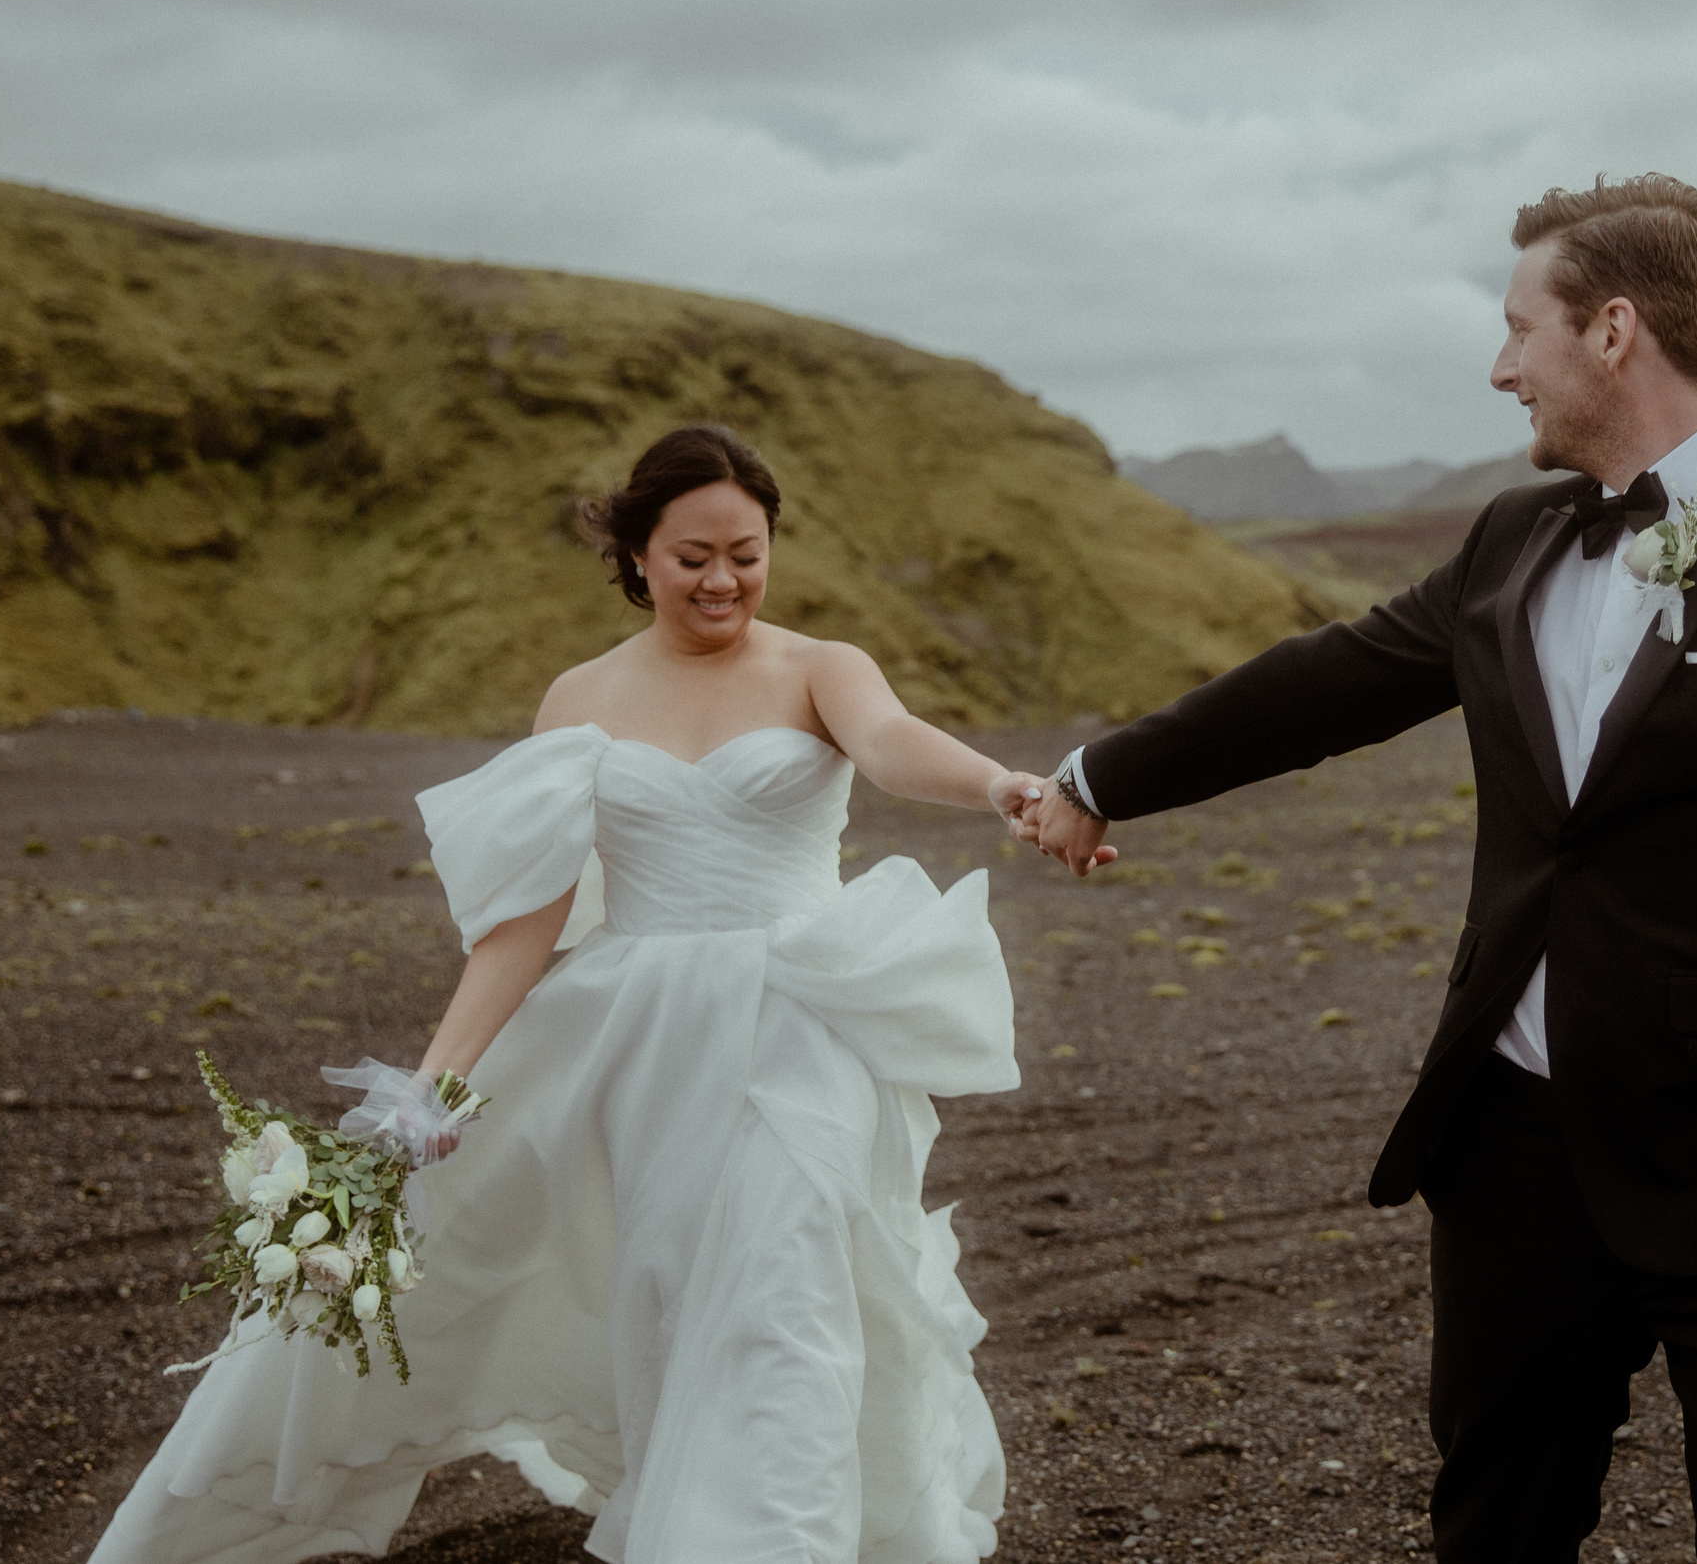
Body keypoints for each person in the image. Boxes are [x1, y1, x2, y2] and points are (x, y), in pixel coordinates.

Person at [1021, 176, 1697, 1563]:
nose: (1500, 368)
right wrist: (1098, 775)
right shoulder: (1517, 536)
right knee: (1494, 1526)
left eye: (1517, 329)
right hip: (1516, 1158)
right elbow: (1334, 683)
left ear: (1614, 332)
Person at [95, 423, 1070, 1564]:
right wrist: (431, 1089)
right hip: (638, 1045)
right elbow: (526, 925)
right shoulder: (580, 697)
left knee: (784, 1278)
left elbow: (894, 744)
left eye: (746, 554)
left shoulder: (822, 668)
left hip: (798, 1021)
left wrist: (998, 784)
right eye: (694, 554)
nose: (724, 580)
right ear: (639, 555)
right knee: (666, 1291)